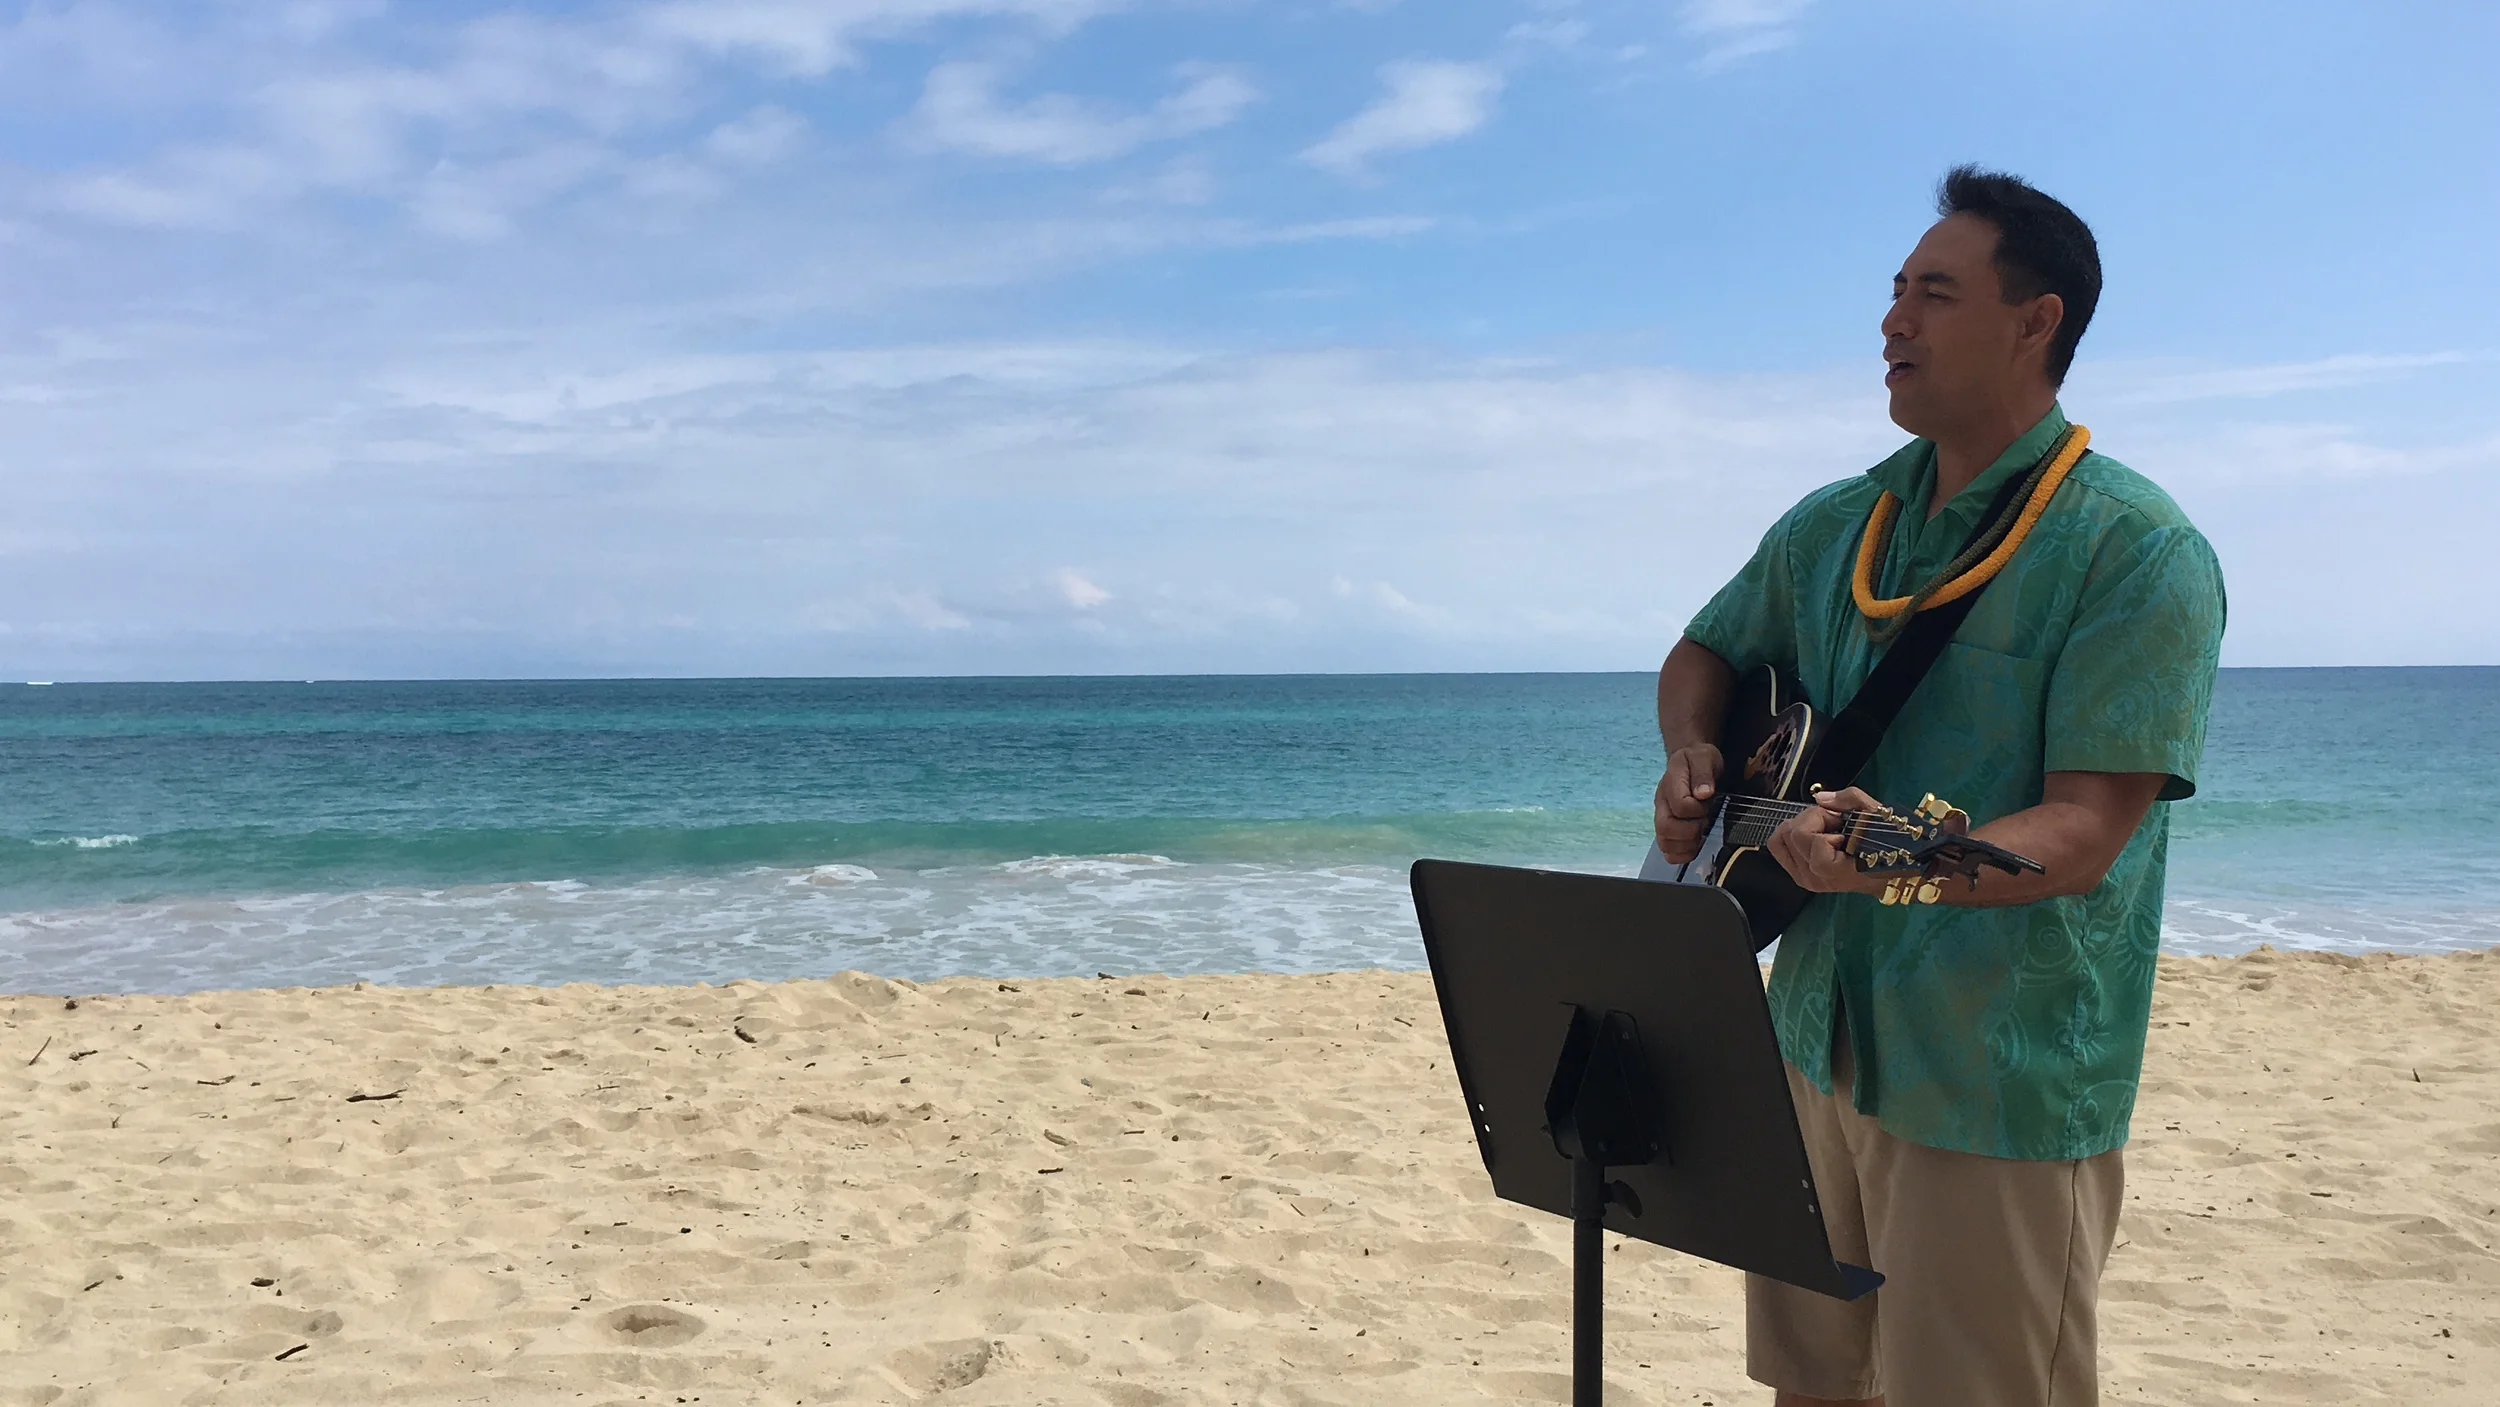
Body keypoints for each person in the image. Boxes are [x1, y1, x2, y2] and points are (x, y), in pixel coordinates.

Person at [1651, 167, 2226, 1406]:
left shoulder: (2138, 551)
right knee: (1812, 1382)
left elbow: (2080, 834)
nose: (1891, 322)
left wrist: (1892, 855)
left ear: (2038, 323)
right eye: (1893, 292)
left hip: (1995, 1075)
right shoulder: (1836, 523)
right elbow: (1705, 648)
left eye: (1932, 293)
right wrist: (1691, 749)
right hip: (1816, 1040)